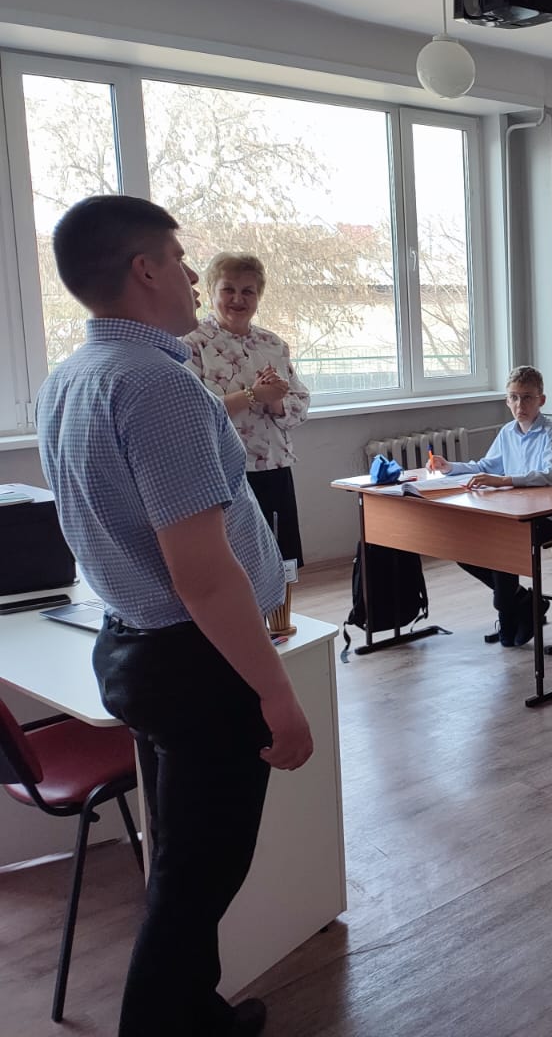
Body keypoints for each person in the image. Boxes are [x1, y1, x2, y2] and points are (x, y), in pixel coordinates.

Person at [36, 195, 311, 1037]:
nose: (195, 276)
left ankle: (196, 1010)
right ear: (144, 269)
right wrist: (277, 695)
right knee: (198, 877)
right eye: (180, 259)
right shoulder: (159, 387)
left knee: (184, 858)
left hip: (139, 648)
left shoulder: (71, 376)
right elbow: (204, 577)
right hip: (199, 664)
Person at [429, 366, 552, 646]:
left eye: (528, 398)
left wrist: (504, 480)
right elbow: (485, 466)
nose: (520, 405)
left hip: (550, 517)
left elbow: (551, 475)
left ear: (541, 400)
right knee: (464, 547)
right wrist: (450, 467)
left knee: (501, 543)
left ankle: (510, 610)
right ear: (507, 401)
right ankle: (521, 601)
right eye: (514, 398)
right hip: (512, 513)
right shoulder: (507, 432)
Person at [184, 252, 310, 569]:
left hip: (273, 466)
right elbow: (194, 414)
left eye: (248, 291)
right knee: (232, 566)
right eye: (228, 289)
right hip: (222, 471)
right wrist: (253, 395)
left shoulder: (273, 344)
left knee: (281, 563)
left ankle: (280, 606)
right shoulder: (192, 343)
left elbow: (300, 406)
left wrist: (276, 401)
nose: (238, 299)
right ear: (211, 291)